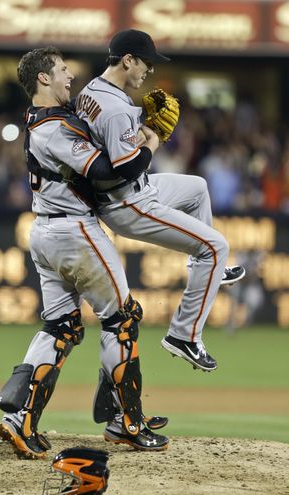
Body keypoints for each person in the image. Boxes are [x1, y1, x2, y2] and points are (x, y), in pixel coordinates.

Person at [0, 46, 169, 459]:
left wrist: (133, 128)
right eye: (61, 69)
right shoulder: (54, 126)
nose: (69, 74)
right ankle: (127, 423)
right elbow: (108, 174)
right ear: (42, 79)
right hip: (75, 231)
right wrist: (151, 144)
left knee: (62, 325)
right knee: (121, 319)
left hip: (45, 231)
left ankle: (19, 419)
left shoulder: (45, 120)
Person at [76, 29, 245, 372]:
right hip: (126, 201)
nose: (148, 71)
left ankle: (208, 270)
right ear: (128, 60)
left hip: (130, 189)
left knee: (197, 187)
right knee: (215, 246)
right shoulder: (115, 108)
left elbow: (111, 137)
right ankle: (184, 335)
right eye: (146, 63)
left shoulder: (91, 91)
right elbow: (126, 167)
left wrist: (140, 121)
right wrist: (152, 140)